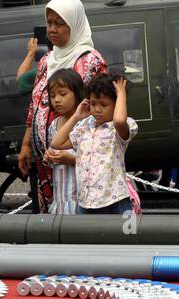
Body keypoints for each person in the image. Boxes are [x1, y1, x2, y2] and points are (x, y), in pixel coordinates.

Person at [16, 0, 111, 211]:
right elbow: (35, 104)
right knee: (53, 216)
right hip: (47, 160)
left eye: (59, 24)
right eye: (49, 23)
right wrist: (26, 144)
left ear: (74, 24)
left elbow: (101, 109)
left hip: (74, 159)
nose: (52, 29)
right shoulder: (46, 61)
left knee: (76, 214)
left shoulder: (90, 61)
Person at [54, 73, 139, 215]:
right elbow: (57, 143)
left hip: (114, 199)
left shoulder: (120, 127)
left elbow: (119, 120)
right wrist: (76, 116)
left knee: (124, 236)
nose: (97, 109)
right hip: (85, 200)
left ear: (117, 104)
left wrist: (121, 93)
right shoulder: (85, 126)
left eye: (104, 105)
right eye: (93, 104)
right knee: (85, 237)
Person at [41, 68, 85, 214]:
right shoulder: (54, 124)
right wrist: (48, 156)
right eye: (52, 96)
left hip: (81, 198)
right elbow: (53, 151)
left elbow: (95, 160)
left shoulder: (86, 123)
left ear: (77, 94)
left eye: (63, 94)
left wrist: (71, 159)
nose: (57, 100)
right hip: (60, 198)